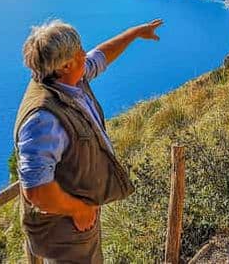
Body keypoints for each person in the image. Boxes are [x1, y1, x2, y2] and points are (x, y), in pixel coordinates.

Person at [14, 18, 164, 263]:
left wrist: (134, 32)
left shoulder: (68, 80)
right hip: (66, 227)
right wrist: (79, 209)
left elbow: (101, 56)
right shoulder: (43, 119)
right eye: (79, 52)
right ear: (64, 65)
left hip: (77, 217)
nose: (85, 54)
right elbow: (37, 191)